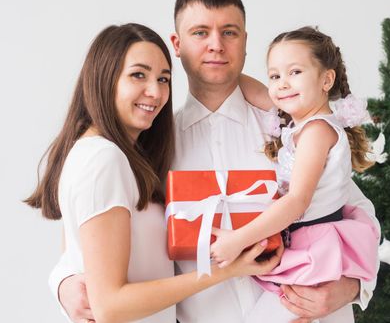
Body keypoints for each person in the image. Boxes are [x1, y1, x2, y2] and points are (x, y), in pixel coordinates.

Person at [53, 0, 380, 323]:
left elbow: (357, 212)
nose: (216, 46)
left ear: (245, 42)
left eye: (229, 32)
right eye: (199, 33)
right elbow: (95, 228)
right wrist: (62, 283)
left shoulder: (292, 128)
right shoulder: (152, 145)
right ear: (176, 45)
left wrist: (353, 288)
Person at [25, 23, 280, 323]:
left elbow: (78, 252)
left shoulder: (116, 156)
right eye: (138, 75)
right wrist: (227, 269)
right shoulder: (104, 159)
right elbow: (110, 306)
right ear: (104, 78)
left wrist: (62, 280)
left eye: (163, 79)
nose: (156, 91)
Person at [210, 26, 380, 322]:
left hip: (315, 247)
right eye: (275, 76)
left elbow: (297, 201)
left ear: (327, 79)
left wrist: (238, 239)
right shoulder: (301, 123)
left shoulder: (316, 132)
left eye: (295, 72)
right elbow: (255, 91)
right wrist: (221, 65)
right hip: (306, 243)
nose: (282, 84)